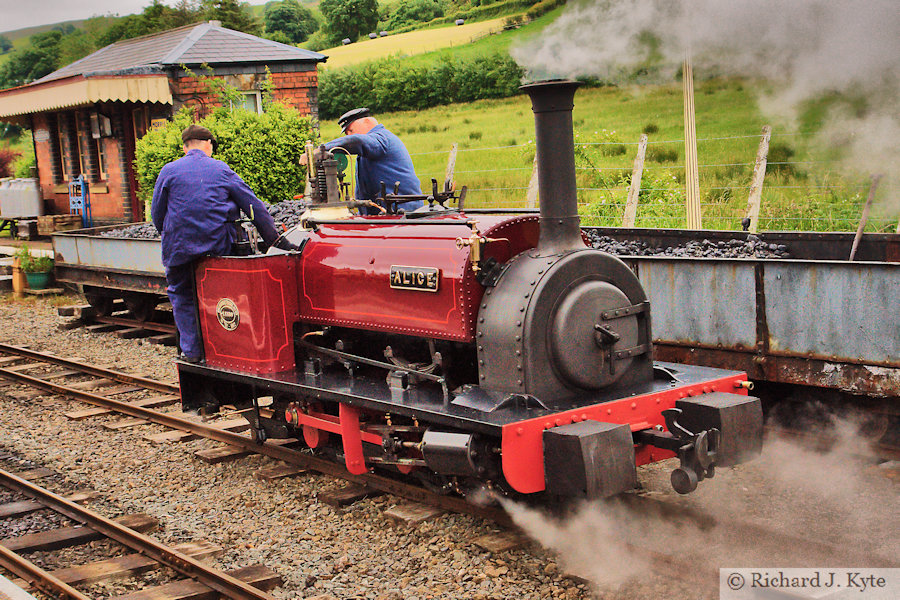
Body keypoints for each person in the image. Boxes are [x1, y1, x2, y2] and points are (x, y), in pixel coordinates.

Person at [151, 125, 281, 363]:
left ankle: (192, 353)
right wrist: (275, 240)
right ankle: (226, 347)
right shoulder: (221, 169)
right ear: (208, 144)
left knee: (181, 294)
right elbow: (253, 206)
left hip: (178, 247)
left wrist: (170, 236)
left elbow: (157, 214)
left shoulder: (168, 171)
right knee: (224, 296)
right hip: (216, 246)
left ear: (185, 147)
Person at [322, 108, 423, 214]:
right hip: (383, 213)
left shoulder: (382, 138)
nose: (349, 136)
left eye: (351, 131)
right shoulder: (370, 148)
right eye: (347, 134)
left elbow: (357, 141)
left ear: (367, 122)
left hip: (403, 212)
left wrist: (321, 150)